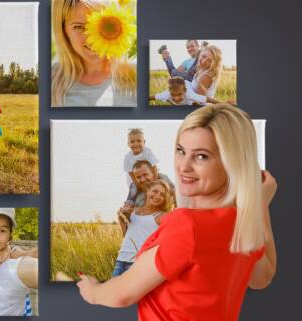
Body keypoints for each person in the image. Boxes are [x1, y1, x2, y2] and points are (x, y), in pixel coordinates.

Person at [77, 104, 278, 321]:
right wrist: (260, 206)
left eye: (201, 156)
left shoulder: (187, 225)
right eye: (181, 151)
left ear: (233, 163)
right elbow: (262, 277)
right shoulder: (240, 221)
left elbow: (122, 295)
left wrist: (93, 290)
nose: (183, 166)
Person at [51, 0, 136, 107]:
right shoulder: (50, 81)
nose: (91, 38)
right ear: (64, 31)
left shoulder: (139, 76)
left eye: (101, 25)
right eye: (79, 27)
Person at [0, 208, 38, 316]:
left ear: (10, 236)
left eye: (2, 230)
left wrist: (11, 251)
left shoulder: (13, 253)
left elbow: (33, 254)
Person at [113, 180, 173, 277]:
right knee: (114, 291)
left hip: (139, 263)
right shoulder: (133, 211)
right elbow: (127, 236)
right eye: (155, 191)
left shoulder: (161, 216)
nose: (158, 196)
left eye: (162, 195)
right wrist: (122, 221)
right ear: (148, 191)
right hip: (121, 260)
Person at [149, 76, 226, 106]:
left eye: (179, 94)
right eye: (173, 94)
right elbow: (151, 97)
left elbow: (209, 99)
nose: (176, 98)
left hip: (188, 83)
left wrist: (225, 104)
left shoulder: (190, 94)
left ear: (185, 91)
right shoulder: (166, 94)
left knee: (197, 103)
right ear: (169, 92)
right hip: (180, 85)